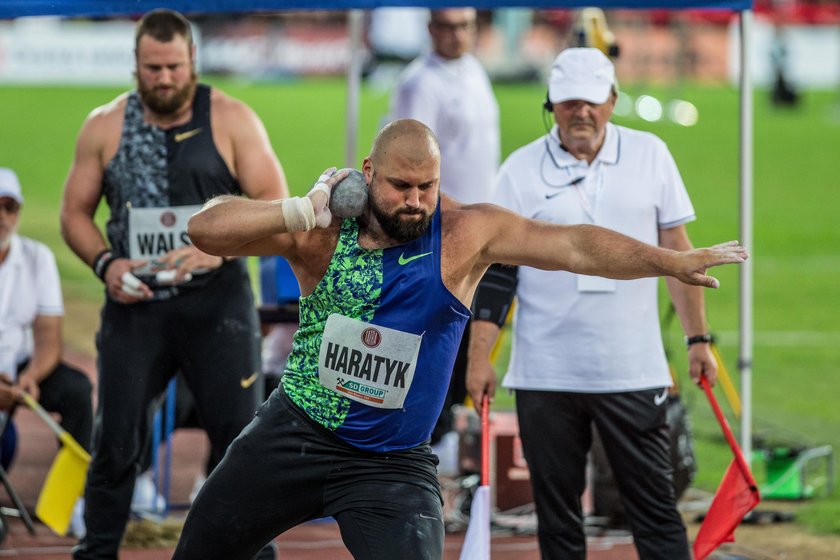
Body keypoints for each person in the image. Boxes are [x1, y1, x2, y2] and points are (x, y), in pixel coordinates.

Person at [170, 118, 746, 560]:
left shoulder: (466, 234)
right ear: (367, 172)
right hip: (295, 432)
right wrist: (299, 209)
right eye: (400, 186)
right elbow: (206, 229)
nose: (416, 201)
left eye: (428, 186)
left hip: (391, 465)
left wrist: (668, 260)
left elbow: (574, 245)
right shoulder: (321, 232)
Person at [465, 48, 718, 560]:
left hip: (630, 368)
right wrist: (479, 357)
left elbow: (680, 258)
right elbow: (496, 274)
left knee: (655, 509)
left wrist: (697, 340)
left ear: (613, 100)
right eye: (568, 102)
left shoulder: (651, 154)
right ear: (551, 105)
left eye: (592, 101)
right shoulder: (519, 169)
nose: (580, 112)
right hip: (545, 372)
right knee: (557, 519)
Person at [58, 9, 288, 560]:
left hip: (218, 305)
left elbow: (276, 210)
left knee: (239, 438)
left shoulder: (233, 120)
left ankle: (256, 555)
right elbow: (73, 214)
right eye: (152, 67)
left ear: (194, 63)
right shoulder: (104, 125)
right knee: (115, 438)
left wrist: (219, 248)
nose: (164, 78)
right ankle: (97, 551)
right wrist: (105, 264)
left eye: (174, 67)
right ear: (135, 66)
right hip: (135, 304)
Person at [389, 7, 500, 453]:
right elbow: (408, 159)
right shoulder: (420, 84)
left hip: (477, 224)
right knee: (438, 328)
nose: (457, 35)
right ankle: (428, 435)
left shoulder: (475, 71)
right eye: (448, 26)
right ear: (431, 28)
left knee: (470, 327)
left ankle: (451, 428)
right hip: (439, 226)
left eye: (465, 26)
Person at [0, 167, 93, 478]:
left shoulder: (36, 257)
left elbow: (49, 336)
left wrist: (31, 376)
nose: (2, 216)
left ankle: (77, 497)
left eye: (9, 207)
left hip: (19, 368)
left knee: (77, 391)